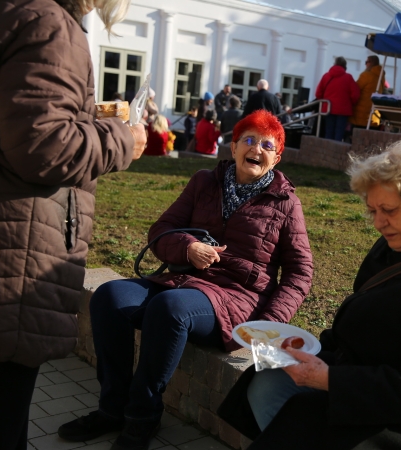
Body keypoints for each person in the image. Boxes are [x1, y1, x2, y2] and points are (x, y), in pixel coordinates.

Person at [58, 110, 313, 449]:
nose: (257, 149)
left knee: (170, 308)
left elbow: (300, 272)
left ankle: (142, 417)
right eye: (249, 140)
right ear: (234, 146)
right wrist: (188, 248)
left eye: (268, 145)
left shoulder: (286, 203)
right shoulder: (204, 182)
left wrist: (268, 326)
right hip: (182, 280)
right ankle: (112, 409)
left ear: (277, 157)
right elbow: (160, 231)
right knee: (109, 298)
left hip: (236, 298)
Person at [218, 139, 401, 450]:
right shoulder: (396, 244)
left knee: (303, 421)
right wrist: (304, 353)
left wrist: (329, 380)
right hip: (367, 373)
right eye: (372, 209)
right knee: (265, 380)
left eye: (388, 210)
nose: (377, 223)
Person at [0, 0, 147, 448]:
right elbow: (43, 146)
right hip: (11, 261)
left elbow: (15, 117)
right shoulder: (47, 20)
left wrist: (87, 116)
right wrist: (124, 139)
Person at [316, 56, 360, 141]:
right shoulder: (348, 77)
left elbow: (318, 93)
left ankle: (327, 151)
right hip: (343, 110)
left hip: (328, 109)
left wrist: (325, 102)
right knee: (339, 134)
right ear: (345, 66)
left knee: (328, 133)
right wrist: (351, 104)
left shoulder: (326, 76)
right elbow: (355, 95)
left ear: (334, 64)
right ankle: (336, 152)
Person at [349, 55, 385, 131]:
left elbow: (356, 89)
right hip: (374, 116)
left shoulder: (366, 75)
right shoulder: (381, 77)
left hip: (361, 115)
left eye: (366, 62)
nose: (365, 64)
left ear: (371, 63)